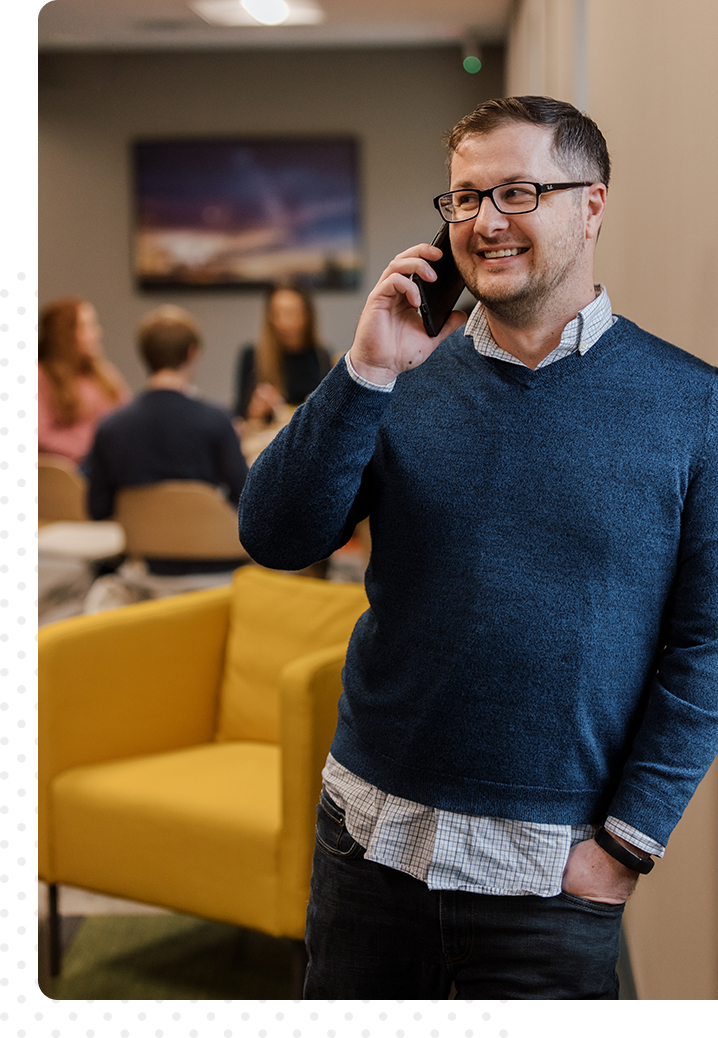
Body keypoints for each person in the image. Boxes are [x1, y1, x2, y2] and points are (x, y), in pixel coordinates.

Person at [237, 96, 718, 999]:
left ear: (593, 205)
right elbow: (273, 535)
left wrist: (623, 846)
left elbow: (708, 644)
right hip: (370, 843)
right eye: (463, 199)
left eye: (519, 192)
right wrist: (365, 372)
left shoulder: (695, 407)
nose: (484, 222)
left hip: (552, 875)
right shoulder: (400, 376)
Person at [85, 304, 248, 577]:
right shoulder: (217, 420)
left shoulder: (110, 427)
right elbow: (245, 498)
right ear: (192, 352)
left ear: (145, 354)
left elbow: (97, 509)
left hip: (145, 568)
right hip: (216, 567)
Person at [38, 296, 131, 465]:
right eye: (87, 327)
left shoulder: (104, 375)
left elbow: (128, 416)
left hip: (108, 463)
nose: (96, 333)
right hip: (70, 471)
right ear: (65, 335)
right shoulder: (41, 377)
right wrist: (91, 450)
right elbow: (40, 436)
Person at [234, 282, 332, 422]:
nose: (284, 322)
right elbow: (240, 415)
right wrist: (255, 411)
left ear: (307, 315)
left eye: (291, 313)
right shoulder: (252, 356)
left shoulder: (321, 357)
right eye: (277, 314)